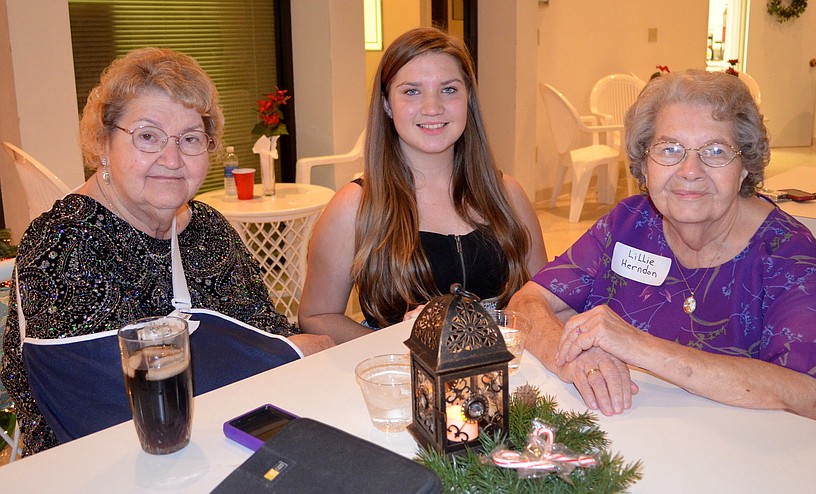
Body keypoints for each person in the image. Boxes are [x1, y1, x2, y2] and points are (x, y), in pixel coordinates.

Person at [1, 47, 333, 456]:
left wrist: (281, 352)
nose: (171, 159)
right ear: (103, 141)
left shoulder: (209, 229)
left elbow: (266, 330)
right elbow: (109, 409)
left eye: (190, 139)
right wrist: (293, 351)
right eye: (147, 136)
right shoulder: (61, 244)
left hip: (225, 443)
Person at [508, 69, 816, 426]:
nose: (689, 170)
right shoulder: (629, 223)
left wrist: (638, 345)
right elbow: (526, 304)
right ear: (645, 163)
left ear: (744, 165)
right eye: (670, 149)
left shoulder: (788, 255)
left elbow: (806, 397)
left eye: (715, 151)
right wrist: (573, 360)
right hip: (634, 432)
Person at [298, 27, 547, 343]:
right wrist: (396, 344)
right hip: (405, 385)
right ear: (387, 104)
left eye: (449, 89)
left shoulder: (508, 195)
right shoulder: (355, 206)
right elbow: (316, 316)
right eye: (411, 91)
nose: (432, 108)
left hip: (502, 377)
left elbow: (544, 299)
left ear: (468, 97)